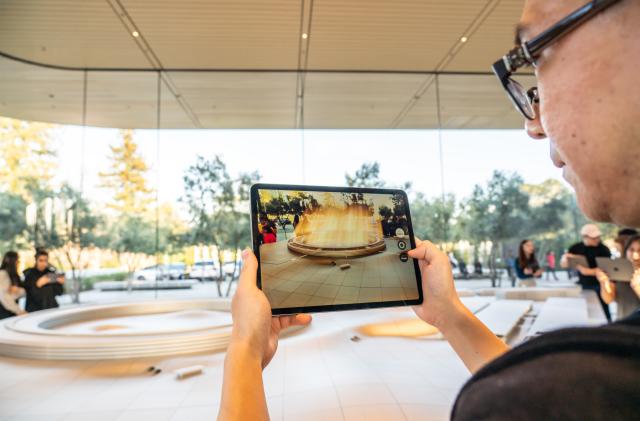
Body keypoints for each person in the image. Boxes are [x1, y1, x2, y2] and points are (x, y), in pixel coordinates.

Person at [219, 0, 640, 419]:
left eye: (533, 57)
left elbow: (530, 401)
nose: (534, 123)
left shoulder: (561, 392)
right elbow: (546, 402)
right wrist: (450, 315)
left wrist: (243, 350)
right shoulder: (591, 383)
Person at [562, 224, 612, 321]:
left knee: (603, 311)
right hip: (581, 284)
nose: (597, 239)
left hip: (599, 285)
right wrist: (565, 260)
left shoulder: (604, 249)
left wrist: (587, 271)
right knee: (585, 312)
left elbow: (607, 270)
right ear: (584, 237)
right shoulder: (575, 248)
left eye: (598, 237)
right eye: (594, 238)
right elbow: (565, 265)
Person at [596, 235, 640, 320]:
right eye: (631, 250)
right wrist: (603, 283)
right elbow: (608, 300)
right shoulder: (617, 270)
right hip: (623, 323)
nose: (635, 256)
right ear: (626, 251)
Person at [0, 251, 26, 319]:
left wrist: (18, 290)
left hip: (11, 312)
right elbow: (4, 296)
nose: (18, 262)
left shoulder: (14, 275)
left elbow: (24, 291)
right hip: (4, 313)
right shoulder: (2, 274)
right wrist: (19, 311)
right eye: (17, 260)